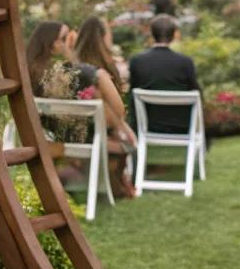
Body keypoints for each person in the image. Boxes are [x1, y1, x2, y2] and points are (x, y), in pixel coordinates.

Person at [74, 15, 138, 199]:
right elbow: (116, 113)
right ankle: (115, 185)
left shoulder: (73, 67)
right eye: (109, 34)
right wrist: (123, 129)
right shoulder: (100, 72)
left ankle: (115, 183)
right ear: (102, 37)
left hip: (75, 133)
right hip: (97, 135)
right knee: (125, 142)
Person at [128, 15, 202, 138]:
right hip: (183, 125)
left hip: (148, 123)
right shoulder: (185, 62)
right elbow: (196, 92)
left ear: (152, 35)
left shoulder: (137, 61)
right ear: (173, 35)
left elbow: (133, 92)